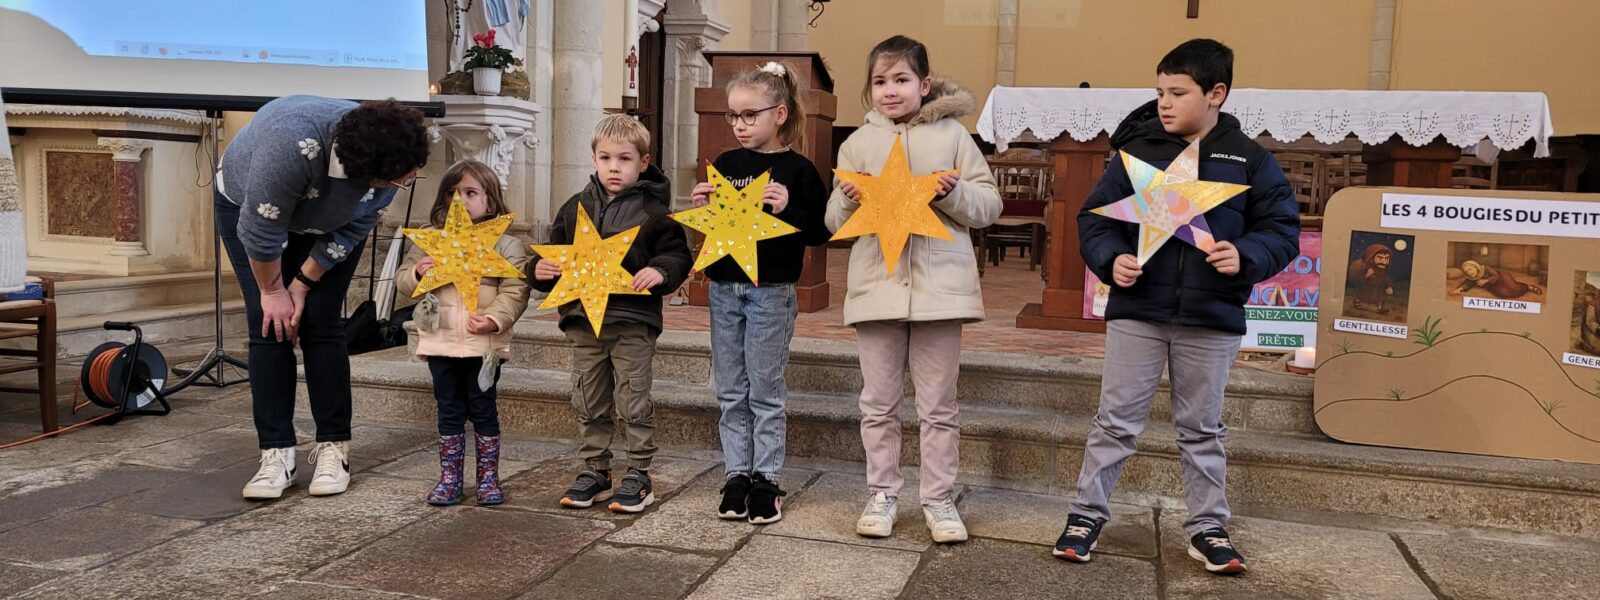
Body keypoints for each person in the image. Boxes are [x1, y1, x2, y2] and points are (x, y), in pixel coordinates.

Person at [1053, 39, 1300, 574]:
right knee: (1115, 422)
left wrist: (1247, 254)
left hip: (1211, 318)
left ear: (1216, 94)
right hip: (1139, 312)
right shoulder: (1137, 153)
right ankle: (1085, 514)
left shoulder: (1251, 160)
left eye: (1178, 92)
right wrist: (1112, 257)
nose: (1164, 103)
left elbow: (1281, 231)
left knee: (1202, 427)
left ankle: (1208, 526)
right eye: (1159, 91)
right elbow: (1095, 219)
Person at [825, 35, 1001, 544]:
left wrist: (954, 192)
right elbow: (833, 221)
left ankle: (939, 497)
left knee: (938, 406)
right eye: (880, 82)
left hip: (938, 291)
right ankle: (882, 493)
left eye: (901, 80)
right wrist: (848, 197)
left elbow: (988, 207)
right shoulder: (857, 144)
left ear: (924, 85)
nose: (890, 91)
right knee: (877, 403)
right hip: (877, 286)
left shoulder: (952, 136)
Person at [219, 95, 429, 500]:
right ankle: (276, 452)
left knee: (321, 320)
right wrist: (274, 291)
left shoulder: (394, 161)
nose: (403, 185)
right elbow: (262, 233)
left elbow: (355, 228)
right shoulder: (290, 146)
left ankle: (334, 446)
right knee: (270, 324)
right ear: (364, 172)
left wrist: (301, 284)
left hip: (330, 226)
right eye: (398, 181)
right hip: (251, 209)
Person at [688, 61, 832, 525]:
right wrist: (704, 209)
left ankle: (766, 478)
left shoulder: (799, 170)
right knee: (730, 388)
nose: (740, 125)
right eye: (733, 116)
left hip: (771, 292)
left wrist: (790, 208)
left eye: (750, 115)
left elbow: (819, 233)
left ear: (781, 113)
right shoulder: (727, 164)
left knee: (764, 390)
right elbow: (718, 230)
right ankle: (737, 475)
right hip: (725, 291)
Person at [531, 114, 692, 513]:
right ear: (593, 159)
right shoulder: (575, 208)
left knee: (633, 397)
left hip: (631, 321)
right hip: (584, 321)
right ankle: (595, 469)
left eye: (624, 158)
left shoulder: (655, 211)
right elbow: (554, 254)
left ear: (643, 161)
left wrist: (661, 270)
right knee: (588, 397)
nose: (614, 167)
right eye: (605, 158)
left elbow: (676, 254)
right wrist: (538, 271)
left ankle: (639, 471)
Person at [396, 160, 530, 507]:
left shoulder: (505, 244)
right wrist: (417, 273)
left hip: (482, 344)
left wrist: (495, 319)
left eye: (471, 193)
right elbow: (402, 281)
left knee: (483, 407)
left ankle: (488, 478)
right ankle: (450, 477)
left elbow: (515, 290)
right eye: (454, 193)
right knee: (448, 408)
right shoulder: (431, 240)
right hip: (440, 341)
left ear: (490, 199)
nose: (461, 201)